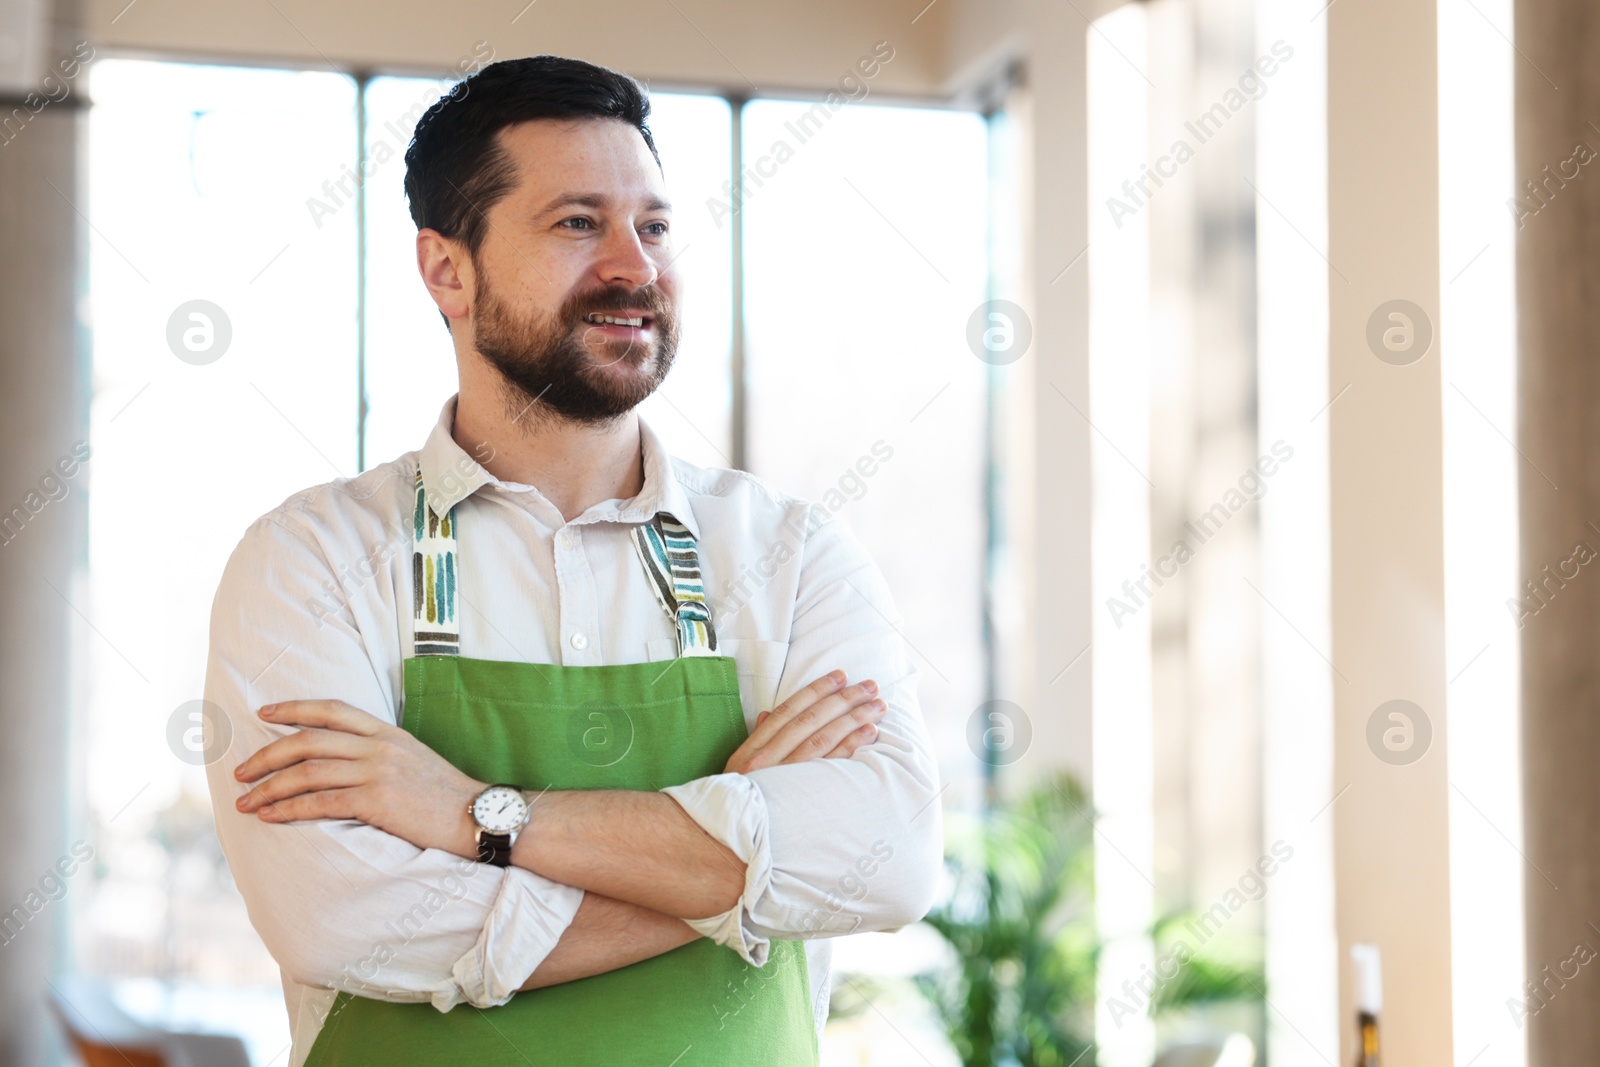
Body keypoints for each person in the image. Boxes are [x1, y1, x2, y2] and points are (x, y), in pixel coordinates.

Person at [201, 54, 943, 1067]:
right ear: (445, 269)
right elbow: (345, 922)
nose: (633, 268)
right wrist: (733, 861)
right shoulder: (313, 560)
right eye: (577, 223)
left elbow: (887, 860)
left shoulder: (791, 555)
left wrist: (472, 815)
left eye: (654, 225)